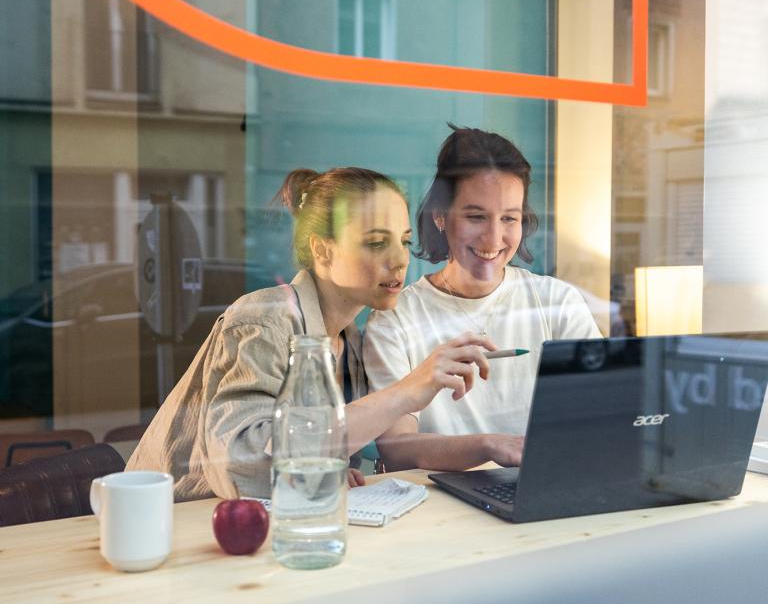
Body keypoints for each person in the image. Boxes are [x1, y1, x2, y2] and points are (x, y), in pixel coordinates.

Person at [127, 166, 493, 500]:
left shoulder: (349, 340)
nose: (400, 259)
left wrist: (330, 469)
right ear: (322, 250)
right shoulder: (263, 319)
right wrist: (403, 394)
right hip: (171, 529)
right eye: (377, 242)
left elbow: (314, 453)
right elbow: (241, 469)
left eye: (405, 241)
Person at [363, 126, 601, 472]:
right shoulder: (395, 318)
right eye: (476, 217)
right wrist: (489, 446)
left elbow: (602, 413)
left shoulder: (558, 302)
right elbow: (396, 448)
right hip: (441, 510)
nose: (493, 238)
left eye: (509, 218)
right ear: (440, 216)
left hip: (544, 490)